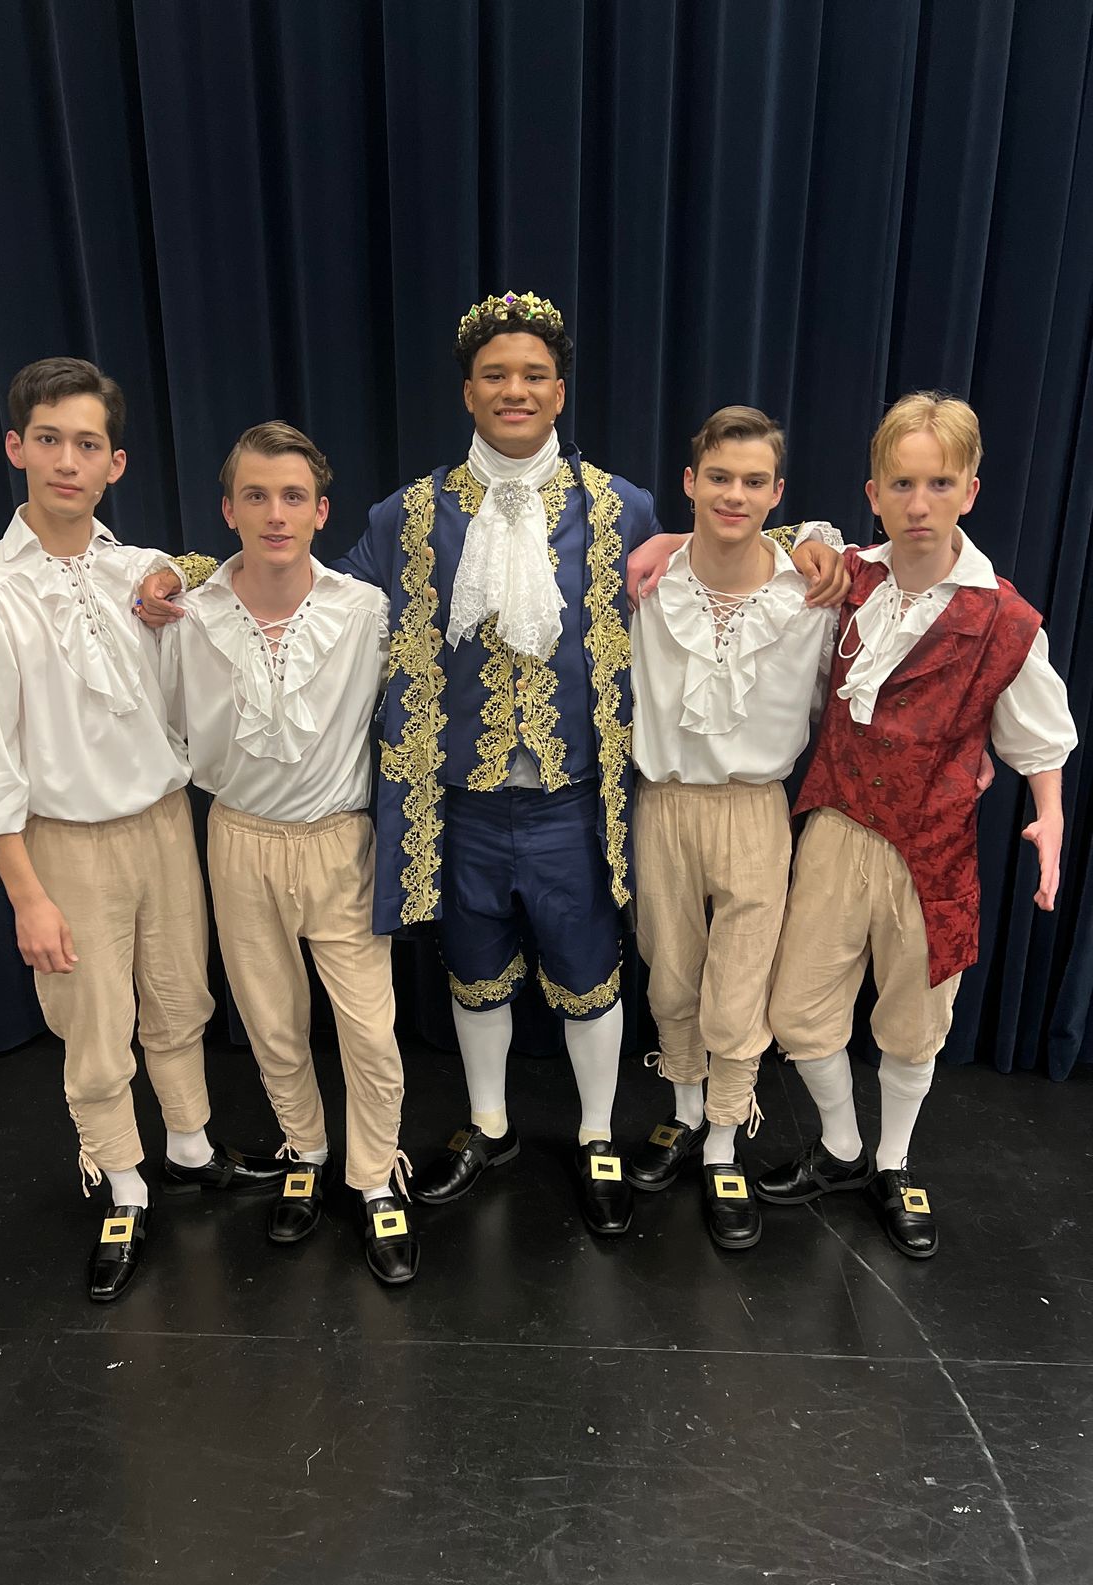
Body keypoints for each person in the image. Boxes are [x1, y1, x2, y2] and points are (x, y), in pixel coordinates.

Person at [139, 291, 847, 1237]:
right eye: (496, 375)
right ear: (468, 392)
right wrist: (185, 572)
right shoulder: (407, 515)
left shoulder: (624, 507)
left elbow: (723, 545)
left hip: (574, 800)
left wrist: (808, 540)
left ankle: (595, 1132)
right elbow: (309, 583)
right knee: (475, 971)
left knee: (590, 973)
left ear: (559, 392)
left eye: (534, 375)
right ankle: (491, 1124)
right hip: (459, 803)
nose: (516, 390)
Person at [0, 357, 284, 1305]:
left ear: (115, 463)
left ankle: (190, 1146)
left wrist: (173, 577)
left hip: (162, 823)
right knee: (92, 1022)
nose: (66, 462)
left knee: (179, 995)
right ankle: (122, 1181)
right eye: (48, 439)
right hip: (63, 841)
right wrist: (27, 896)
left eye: (88, 444)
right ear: (16, 447)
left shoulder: (139, 574)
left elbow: (224, 593)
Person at [756, 392, 1078, 1257]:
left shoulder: (1005, 619)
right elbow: (740, 547)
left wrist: (1050, 817)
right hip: (835, 826)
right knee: (798, 1010)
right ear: (875, 493)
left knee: (914, 1021)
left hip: (933, 849)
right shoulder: (845, 577)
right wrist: (666, 543)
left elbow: (1038, 738)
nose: (920, 503)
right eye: (902, 483)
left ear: (971, 490)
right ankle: (842, 1147)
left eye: (940, 483)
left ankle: (894, 1162)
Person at [159, 422, 418, 1285]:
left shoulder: (364, 610)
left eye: (294, 497)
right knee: (272, 1021)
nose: (276, 513)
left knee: (369, 1029)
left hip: (339, 841)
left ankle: (373, 1175)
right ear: (228, 509)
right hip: (238, 837)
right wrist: (171, 577)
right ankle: (305, 1148)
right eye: (257, 496)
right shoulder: (187, 614)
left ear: (321, 512)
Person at [626, 406, 839, 1249]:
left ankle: (723, 1137)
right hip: (666, 801)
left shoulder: (809, 594)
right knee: (670, 971)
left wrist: (813, 539)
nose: (734, 495)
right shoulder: (651, 584)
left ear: (778, 494)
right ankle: (683, 1109)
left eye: (754, 482)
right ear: (690, 482)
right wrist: (671, 541)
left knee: (741, 981)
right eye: (719, 477)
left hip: (755, 807)